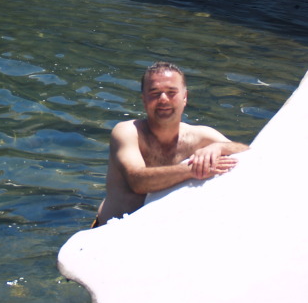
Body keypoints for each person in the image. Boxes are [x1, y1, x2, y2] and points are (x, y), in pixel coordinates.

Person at [94, 61, 249, 227]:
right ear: (144, 99)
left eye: (171, 92)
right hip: (109, 233)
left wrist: (219, 147)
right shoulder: (127, 132)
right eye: (154, 93)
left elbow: (249, 153)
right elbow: (137, 181)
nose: (163, 99)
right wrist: (192, 170)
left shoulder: (200, 135)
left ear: (185, 97)